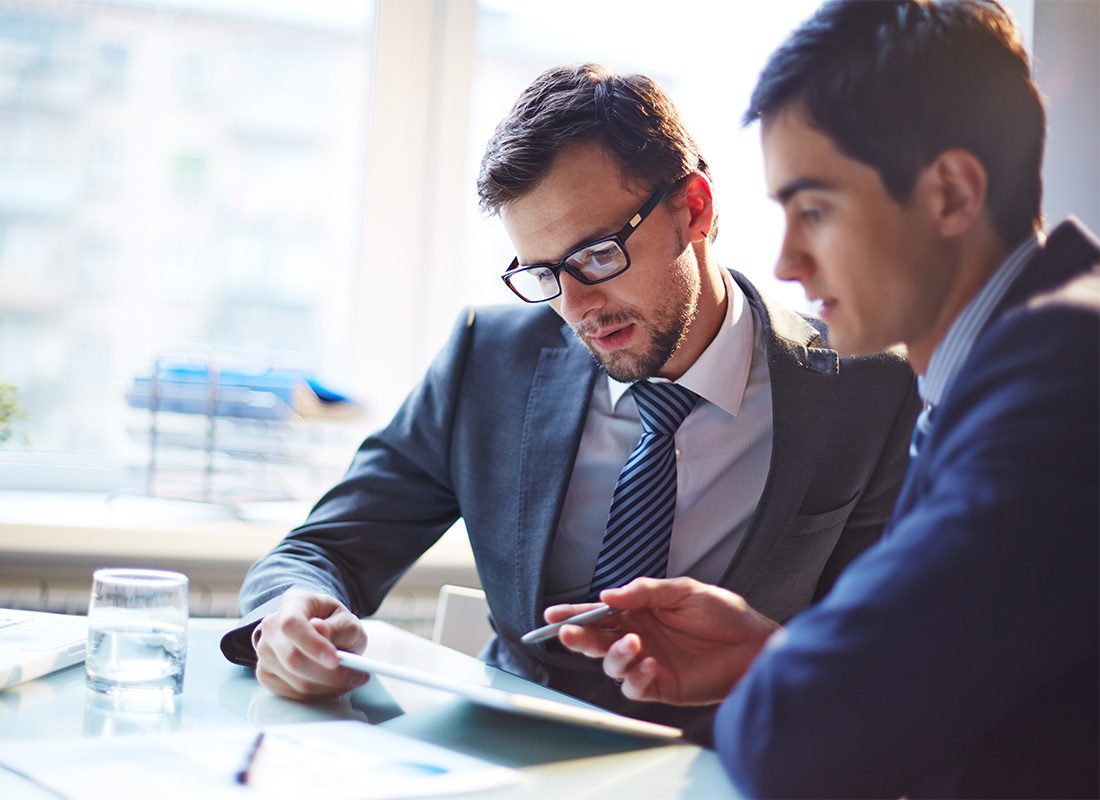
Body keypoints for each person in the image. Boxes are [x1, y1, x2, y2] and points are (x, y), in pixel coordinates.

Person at [219, 63, 919, 733]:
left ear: (695, 209)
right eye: (542, 273)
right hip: (509, 757)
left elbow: (889, 655)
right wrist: (286, 615)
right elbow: (322, 549)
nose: (578, 304)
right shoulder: (486, 360)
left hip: (729, 765)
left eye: (596, 254)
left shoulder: (868, 389)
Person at [550, 1, 1099, 795]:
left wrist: (790, 679)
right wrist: (771, 658)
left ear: (949, 193)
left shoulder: (1054, 383)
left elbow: (793, 732)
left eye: (815, 210)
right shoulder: (1017, 360)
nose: (786, 263)